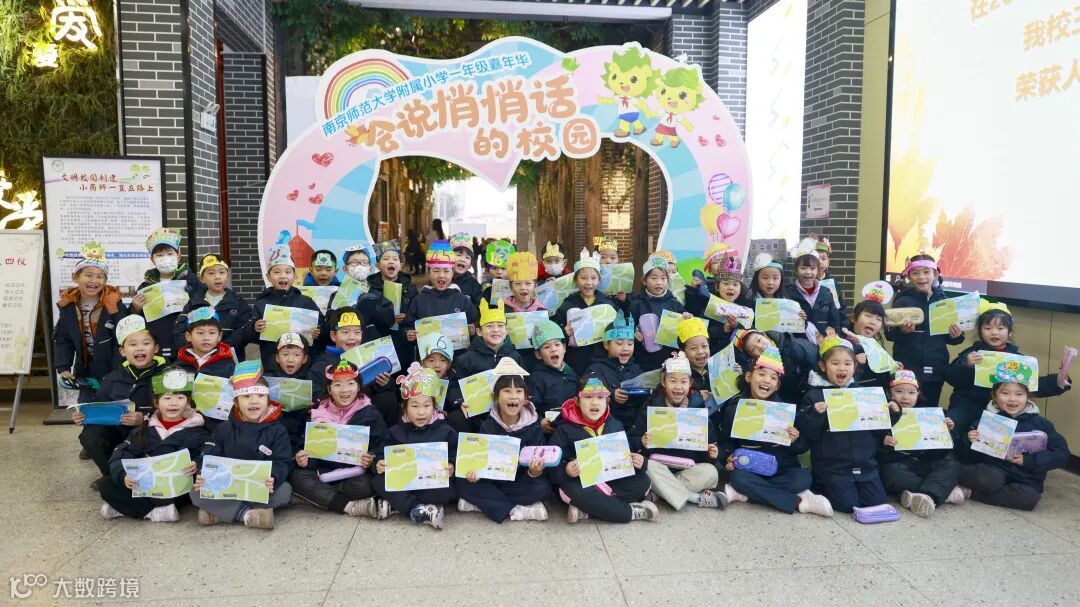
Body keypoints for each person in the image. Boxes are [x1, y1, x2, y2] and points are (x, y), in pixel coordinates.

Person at [718, 347, 833, 516]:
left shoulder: (784, 411)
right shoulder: (734, 409)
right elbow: (726, 443)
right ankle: (799, 502)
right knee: (738, 478)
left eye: (773, 378)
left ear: (777, 385)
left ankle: (744, 493)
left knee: (803, 478)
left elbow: (801, 448)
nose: (767, 380)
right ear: (748, 377)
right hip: (750, 467)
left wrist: (794, 440)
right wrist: (727, 458)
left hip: (781, 467)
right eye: (761, 374)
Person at [944, 300, 1070, 445]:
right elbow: (951, 377)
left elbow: (1031, 385)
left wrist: (1058, 382)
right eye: (987, 328)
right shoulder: (972, 354)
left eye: (1000, 328)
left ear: (1009, 332)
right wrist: (966, 365)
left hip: (999, 410)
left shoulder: (1017, 359)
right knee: (950, 427)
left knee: (995, 441)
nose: (994, 332)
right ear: (980, 332)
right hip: (966, 404)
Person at [191, 361, 294, 529]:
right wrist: (204, 475)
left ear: (268, 400)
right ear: (236, 402)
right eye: (246, 396)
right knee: (195, 491)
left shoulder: (278, 430)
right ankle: (247, 515)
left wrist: (273, 477)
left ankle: (221, 512)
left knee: (284, 491)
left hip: (259, 487)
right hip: (227, 486)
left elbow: (283, 462)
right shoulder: (223, 429)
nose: (254, 401)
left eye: (260, 396)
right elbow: (209, 456)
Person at [547, 373, 659, 524]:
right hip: (581, 484)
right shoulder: (563, 430)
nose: (595, 403)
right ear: (577, 401)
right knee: (573, 490)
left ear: (607, 400)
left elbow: (626, 457)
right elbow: (552, 472)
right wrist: (566, 470)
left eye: (600, 397)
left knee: (643, 481)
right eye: (588, 397)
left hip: (610, 479)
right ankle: (629, 512)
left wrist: (640, 462)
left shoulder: (615, 425)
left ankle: (589, 510)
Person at [99, 366, 206, 522]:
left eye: (180, 398)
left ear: (188, 402)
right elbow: (121, 453)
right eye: (167, 398)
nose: (173, 403)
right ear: (156, 402)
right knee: (106, 484)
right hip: (145, 484)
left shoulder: (198, 430)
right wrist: (124, 476)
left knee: (191, 490)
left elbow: (208, 453)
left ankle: (126, 508)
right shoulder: (144, 429)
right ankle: (151, 512)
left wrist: (197, 463)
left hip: (175, 488)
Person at [796, 336, 888, 514]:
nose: (842, 368)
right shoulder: (814, 395)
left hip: (865, 465)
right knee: (847, 505)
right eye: (835, 363)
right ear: (823, 366)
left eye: (847, 363)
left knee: (877, 502)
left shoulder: (864, 394)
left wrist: (892, 413)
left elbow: (878, 429)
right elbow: (807, 432)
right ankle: (819, 485)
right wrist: (814, 413)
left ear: (855, 366)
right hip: (833, 468)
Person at [75, 315, 166, 490]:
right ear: (123, 351)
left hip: (152, 433)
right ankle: (112, 475)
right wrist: (84, 415)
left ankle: (145, 475)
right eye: (133, 344)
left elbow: (179, 409)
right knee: (90, 435)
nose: (139, 348)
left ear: (155, 348)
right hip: (119, 433)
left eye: (146, 343)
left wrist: (144, 418)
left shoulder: (167, 375)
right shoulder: (113, 377)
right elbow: (98, 403)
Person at [456, 358, 550, 523]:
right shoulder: (488, 425)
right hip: (493, 479)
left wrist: (534, 472)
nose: (513, 396)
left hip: (518, 481)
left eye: (519, 391)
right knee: (462, 481)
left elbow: (539, 462)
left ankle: (483, 503)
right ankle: (515, 510)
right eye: (507, 391)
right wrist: (475, 474)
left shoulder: (534, 426)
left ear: (526, 398)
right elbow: (480, 461)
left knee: (542, 488)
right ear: (496, 397)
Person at [291, 361, 389, 518]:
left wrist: (372, 460)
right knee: (298, 477)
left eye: (351, 383)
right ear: (329, 388)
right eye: (337, 385)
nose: (345, 390)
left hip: (354, 475)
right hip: (323, 473)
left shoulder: (370, 414)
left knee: (371, 483)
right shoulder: (317, 414)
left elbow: (381, 446)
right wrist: (302, 459)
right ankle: (349, 506)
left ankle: (319, 497)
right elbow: (304, 449)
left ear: (358, 386)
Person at [630, 353, 725, 511]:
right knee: (647, 466)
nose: (678, 387)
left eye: (683, 381)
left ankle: (659, 492)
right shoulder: (652, 407)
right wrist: (642, 442)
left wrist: (711, 452)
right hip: (658, 466)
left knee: (711, 472)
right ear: (663, 382)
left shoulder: (698, 408)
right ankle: (694, 498)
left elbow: (711, 443)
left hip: (687, 468)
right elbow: (632, 441)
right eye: (673, 381)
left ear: (690, 383)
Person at [956, 381, 1070, 510]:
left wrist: (1028, 460)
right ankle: (951, 477)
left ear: (1027, 396)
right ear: (994, 395)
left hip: (1026, 478)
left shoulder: (1042, 424)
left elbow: (1061, 453)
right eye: (1005, 393)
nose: (1012, 399)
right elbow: (964, 456)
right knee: (988, 478)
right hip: (993, 470)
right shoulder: (986, 420)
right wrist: (968, 440)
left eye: (1019, 394)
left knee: (1029, 498)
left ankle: (970, 492)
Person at [372, 363, 459, 530]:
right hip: (405, 480)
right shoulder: (396, 431)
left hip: (430, 482)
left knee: (449, 489)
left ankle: (399, 505)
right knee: (378, 481)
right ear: (404, 407)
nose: (421, 412)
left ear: (434, 407)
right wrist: (379, 463)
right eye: (414, 406)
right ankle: (419, 509)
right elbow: (381, 453)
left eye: (427, 406)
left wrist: (451, 466)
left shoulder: (445, 430)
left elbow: (456, 455)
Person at [879, 370, 964, 518]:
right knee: (890, 474)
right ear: (889, 393)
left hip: (921, 464)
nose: (905, 397)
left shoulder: (928, 415)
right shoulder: (882, 414)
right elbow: (872, 450)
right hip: (896, 465)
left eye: (911, 392)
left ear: (918, 394)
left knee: (952, 465)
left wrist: (947, 433)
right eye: (899, 391)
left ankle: (922, 496)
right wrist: (883, 442)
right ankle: (940, 492)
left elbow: (937, 455)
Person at [884, 254, 965, 407]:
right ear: (909, 276)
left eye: (926, 272)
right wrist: (903, 331)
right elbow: (889, 334)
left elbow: (951, 339)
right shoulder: (902, 300)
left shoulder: (944, 301)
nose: (921, 277)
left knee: (929, 409)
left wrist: (956, 335)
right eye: (915, 273)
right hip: (907, 368)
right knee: (902, 409)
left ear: (936, 274)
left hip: (935, 368)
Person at [53, 242, 126, 402]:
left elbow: (122, 341)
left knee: (115, 407)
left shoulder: (114, 305)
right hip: (85, 370)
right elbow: (63, 339)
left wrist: (116, 371)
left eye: (100, 276)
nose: (94, 280)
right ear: (75, 277)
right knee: (86, 408)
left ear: (105, 280)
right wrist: (63, 368)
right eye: (88, 275)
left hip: (113, 367)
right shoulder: (68, 306)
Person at [448, 298, 525, 432]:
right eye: (489, 326)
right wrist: (460, 401)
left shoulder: (515, 357)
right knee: (457, 417)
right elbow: (453, 387)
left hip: (507, 412)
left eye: (500, 326)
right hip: (477, 415)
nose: (495, 330)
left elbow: (524, 385)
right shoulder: (465, 359)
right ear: (479, 331)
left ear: (506, 330)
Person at [242, 244, 322, 370]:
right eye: (277, 272)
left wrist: (319, 331)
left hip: (303, 365)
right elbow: (247, 334)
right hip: (271, 363)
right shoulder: (262, 303)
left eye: (288, 272)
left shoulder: (306, 301)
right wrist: (254, 327)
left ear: (295, 276)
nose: (283, 276)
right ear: (268, 277)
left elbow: (322, 327)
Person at [130, 228, 198, 360]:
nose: (165, 258)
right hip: (157, 350)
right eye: (159, 255)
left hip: (189, 347)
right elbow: (136, 322)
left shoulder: (193, 282)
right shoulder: (145, 288)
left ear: (178, 255)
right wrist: (135, 309)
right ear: (152, 259)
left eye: (169, 253)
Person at [402, 240, 479, 354]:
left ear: (452, 273)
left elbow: (476, 322)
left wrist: (473, 331)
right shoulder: (419, 300)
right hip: (428, 359)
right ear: (429, 272)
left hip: (457, 359)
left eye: (446, 271)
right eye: (436, 270)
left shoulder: (462, 300)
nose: (441, 275)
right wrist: (408, 333)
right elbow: (408, 325)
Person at [552, 248, 621, 373]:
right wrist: (564, 332)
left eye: (593, 278)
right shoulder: (568, 304)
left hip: (602, 361)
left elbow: (618, 327)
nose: (589, 282)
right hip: (575, 361)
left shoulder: (607, 303)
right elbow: (554, 331)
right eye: (583, 278)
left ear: (599, 280)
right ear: (575, 280)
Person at [174, 254, 253, 359]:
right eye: (211, 273)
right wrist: (198, 348)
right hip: (198, 359)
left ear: (227, 276)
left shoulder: (238, 303)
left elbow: (244, 332)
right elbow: (180, 331)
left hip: (229, 359)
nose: (217, 277)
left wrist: (220, 348)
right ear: (202, 278)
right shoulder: (193, 303)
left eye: (222, 272)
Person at [584, 311, 644, 427]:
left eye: (630, 344)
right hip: (606, 426)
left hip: (634, 425)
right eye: (619, 343)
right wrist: (611, 394)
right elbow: (587, 396)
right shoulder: (596, 369)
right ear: (606, 345)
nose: (625, 348)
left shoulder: (636, 370)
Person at [631, 253, 690, 372]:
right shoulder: (636, 304)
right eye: (653, 278)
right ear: (644, 281)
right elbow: (629, 326)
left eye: (663, 278)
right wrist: (635, 334)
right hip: (645, 360)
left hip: (672, 359)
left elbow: (684, 324)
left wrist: (686, 316)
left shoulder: (674, 302)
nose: (659, 282)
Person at [368, 240, 418, 371]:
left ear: (400, 265)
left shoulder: (411, 289)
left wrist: (406, 318)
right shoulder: (369, 289)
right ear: (378, 265)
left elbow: (417, 315)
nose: (391, 262)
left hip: (405, 346)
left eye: (395, 259)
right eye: (386, 259)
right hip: (379, 345)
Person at [526, 320, 577, 431]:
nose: (553, 349)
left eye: (557, 344)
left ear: (564, 347)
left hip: (573, 426)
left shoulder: (572, 373)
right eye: (547, 347)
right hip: (552, 430)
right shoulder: (536, 378)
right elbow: (531, 407)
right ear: (538, 354)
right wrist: (540, 422)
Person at [784, 240, 841, 336]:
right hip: (798, 341)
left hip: (825, 340)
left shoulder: (827, 293)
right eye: (803, 268)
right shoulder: (787, 293)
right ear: (796, 270)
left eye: (812, 268)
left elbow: (834, 321)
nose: (808, 272)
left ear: (818, 270)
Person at [173, 305, 237, 380]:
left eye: (212, 333)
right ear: (188, 336)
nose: (206, 338)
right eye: (200, 333)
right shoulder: (179, 365)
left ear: (219, 336)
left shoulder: (228, 365)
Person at [450, 232, 483, 306]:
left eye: (467, 257)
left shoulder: (474, 285)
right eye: (458, 255)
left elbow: (479, 305)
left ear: (470, 265)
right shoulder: (442, 280)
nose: (463, 260)